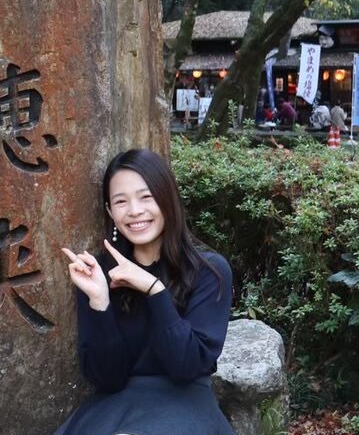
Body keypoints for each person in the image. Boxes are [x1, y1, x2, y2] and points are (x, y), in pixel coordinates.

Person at [55, 148, 234, 435]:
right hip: (114, 408)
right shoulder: (101, 273)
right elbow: (107, 379)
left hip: (186, 405)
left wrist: (155, 291)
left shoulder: (209, 271)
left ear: (167, 199)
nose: (135, 211)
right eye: (121, 202)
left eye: (146, 197)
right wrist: (99, 302)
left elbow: (186, 367)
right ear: (110, 212)